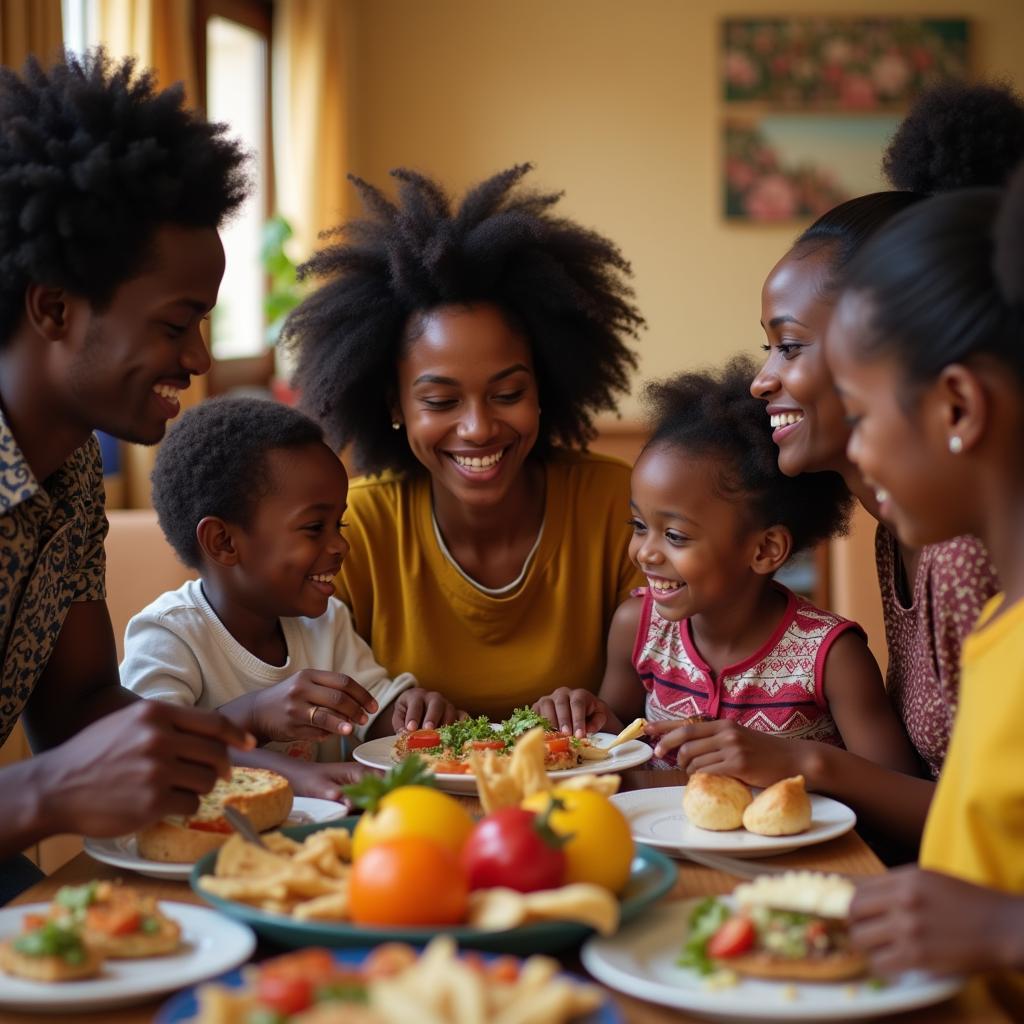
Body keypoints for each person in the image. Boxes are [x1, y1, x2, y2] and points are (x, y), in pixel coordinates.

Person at [672, 81, 1023, 851]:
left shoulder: (969, 557)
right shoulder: (895, 531)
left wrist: (806, 761)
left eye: (790, 345)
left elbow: (978, 821)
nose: (762, 378)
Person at [0, 50, 253, 901]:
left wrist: (240, 759)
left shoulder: (70, 471)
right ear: (54, 307)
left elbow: (77, 708)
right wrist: (47, 789)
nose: (199, 356)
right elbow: (59, 771)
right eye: (177, 323)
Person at [283, 165, 644, 720]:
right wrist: (388, 708)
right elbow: (312, 705)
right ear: (394, 406)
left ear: (544, 389)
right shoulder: (355, 527)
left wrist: (604, 714)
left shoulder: (616, 503)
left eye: (507, 393)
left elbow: (670, 684)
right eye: (441, 401)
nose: (478, 428)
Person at [827, 158, 1024, 1007]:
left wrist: (1001, 930)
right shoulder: (997, 631)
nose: (857, 453)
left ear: (956, 408)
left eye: (861, 416)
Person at [536, 357, 920, 779]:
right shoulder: (637, 627)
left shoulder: (832, 658)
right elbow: (620, 745)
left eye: (676, 536)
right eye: (640, 526)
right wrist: (591, 720)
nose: (645, 552)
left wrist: (799, 769)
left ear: (765, 549)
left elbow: (896, 789)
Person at [120, 397, 462, 800]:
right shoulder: (169, 635)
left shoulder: (325, 623)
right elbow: (154, 749)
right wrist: (254, 718)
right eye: (315, 527)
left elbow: (372, 712)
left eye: (340, 524)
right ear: (224, 541)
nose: (339, 546)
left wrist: (408, 714)